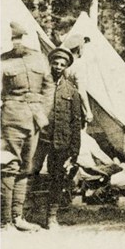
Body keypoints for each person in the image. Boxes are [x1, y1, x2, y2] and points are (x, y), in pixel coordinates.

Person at [1, 21, 54, 232]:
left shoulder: (40, 59)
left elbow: (49, 87)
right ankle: (5, 221)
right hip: (11, 119)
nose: (18, 43)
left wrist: (43, 110)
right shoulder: (2, 61)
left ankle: (18, 217)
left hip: (35, 120)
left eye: (21, 38)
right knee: (8, 167)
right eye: (14, 39)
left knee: (26, 167)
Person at [44, 47, 84, 229]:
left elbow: (76, 122)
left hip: (60, 141)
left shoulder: (71, 91)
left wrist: (74, 150)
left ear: (66, 66)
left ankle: (51, 217)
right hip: (40, 139)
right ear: (50, 64)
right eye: (55, 63)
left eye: (62, 64)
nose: (58, 67)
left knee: (56, 178)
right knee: (29, 173)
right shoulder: (42, 86)